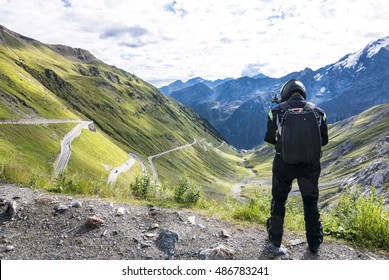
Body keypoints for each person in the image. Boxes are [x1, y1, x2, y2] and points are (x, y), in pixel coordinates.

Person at [264, 79, 328, 253]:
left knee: (279, 199)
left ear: (285, 93)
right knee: (310, 201)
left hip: (283, 164)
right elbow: (324, 141)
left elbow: (270, 142)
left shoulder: (275, 111)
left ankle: (275, 238)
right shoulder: (318, 112)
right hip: (310, 165)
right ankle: (314, 242)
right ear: (302, 92)